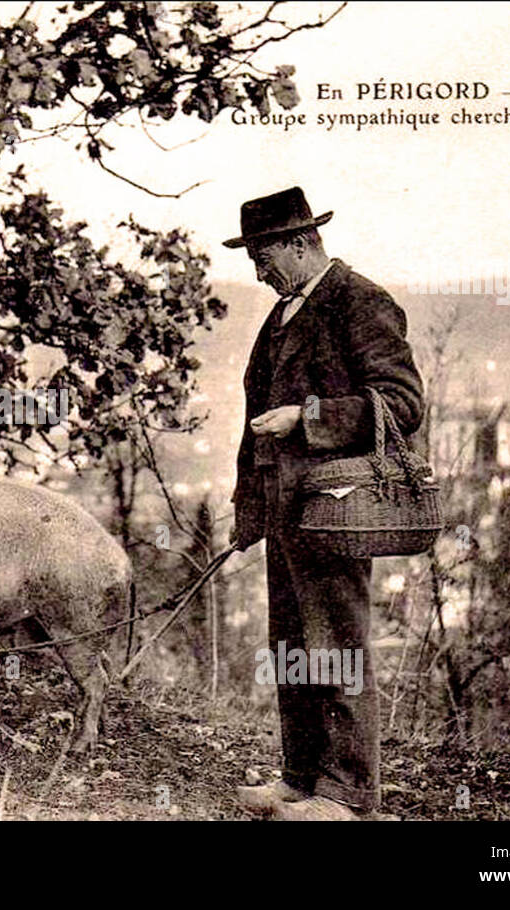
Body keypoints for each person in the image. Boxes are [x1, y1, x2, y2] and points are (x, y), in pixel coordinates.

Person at [224, 187, 424, 820]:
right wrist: (248, 509)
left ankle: (347, 796)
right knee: (293, 644)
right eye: (252, 258)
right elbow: (256, 422)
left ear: (301, 243)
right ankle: (300, 777)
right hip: (286, 510)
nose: (258, 272)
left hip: (338, 509)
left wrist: (306, 418)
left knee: (336, 642)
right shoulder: (282, 313)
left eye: (263, 256)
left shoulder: (360, 302)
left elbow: (401, 403)